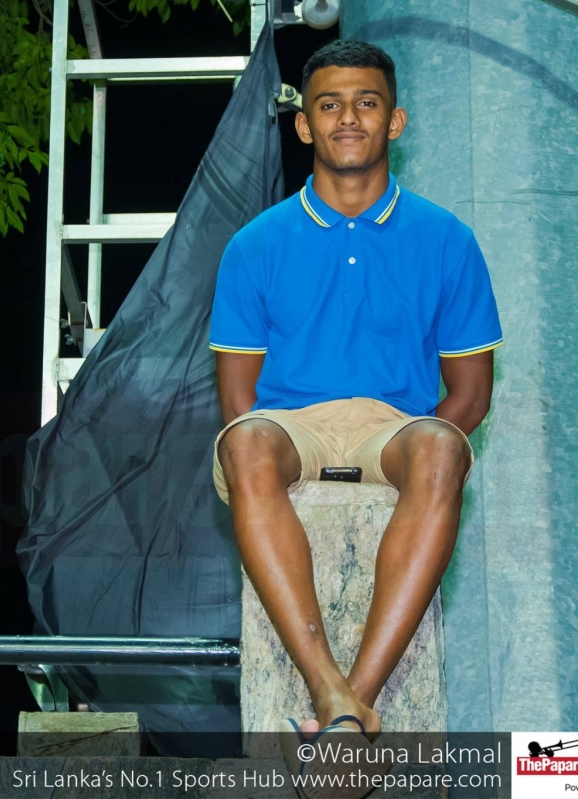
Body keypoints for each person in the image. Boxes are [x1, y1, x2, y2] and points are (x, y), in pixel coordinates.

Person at [209, 40, 502, 742]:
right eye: (330, 104)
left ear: (394, 121)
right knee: (245, 442)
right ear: (304, 124)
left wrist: (415, 453)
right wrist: (280, 445)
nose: (348, 118)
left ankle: (352, 702)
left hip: (391, 427)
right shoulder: (254, 244)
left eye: (367, 103)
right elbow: (239, 400)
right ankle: (327, 686)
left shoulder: (447, 238)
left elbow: (469, 394)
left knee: (440, 445)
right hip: (291, 426)